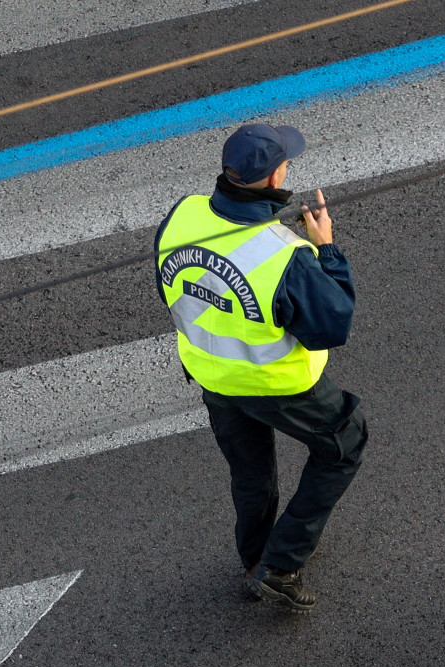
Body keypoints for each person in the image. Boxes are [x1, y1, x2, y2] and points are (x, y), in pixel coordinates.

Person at [154, 122, 368, 612]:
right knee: (344, 444)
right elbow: (331, 325)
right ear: (274, 180)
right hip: (277, 384)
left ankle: (254, 560)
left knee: (251, 474)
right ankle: (281, 564)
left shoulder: (182, 215)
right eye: (285, 164)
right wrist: (327, 251)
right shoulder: (285, 254)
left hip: (212, 376)